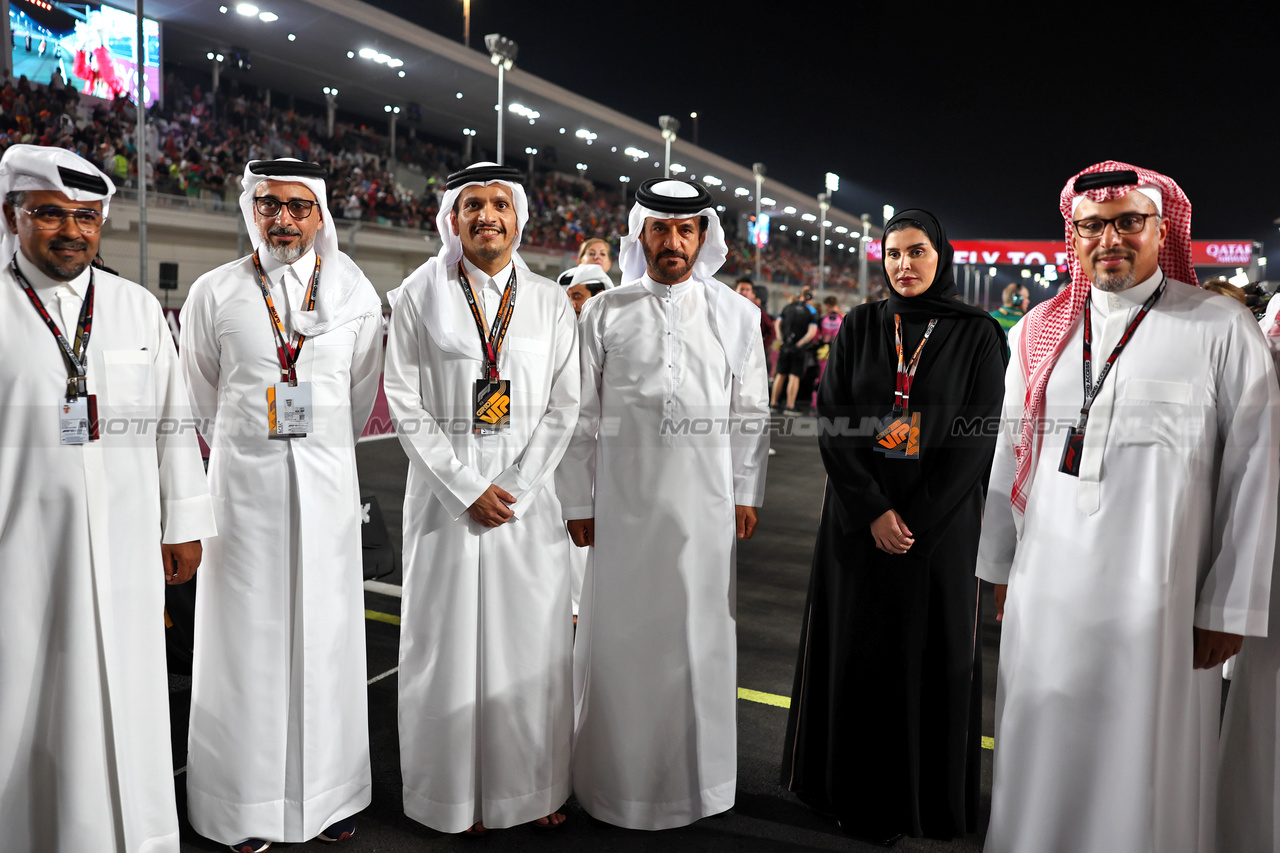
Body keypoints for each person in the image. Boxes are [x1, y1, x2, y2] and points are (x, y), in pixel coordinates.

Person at [977, 161, 1279, 853]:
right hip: (1046, 594)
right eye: (1092, 226)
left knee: (1145, 772)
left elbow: (1255, 473)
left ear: (1161, 229)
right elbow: (1006, 455)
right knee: (1041, 747)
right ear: (1073, 236)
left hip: (1163, 604)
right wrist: (996, 565)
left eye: (1128, 222)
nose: (1109, 238)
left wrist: (1228, 606)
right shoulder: (1037, 331)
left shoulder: (1220, 328)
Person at [0, 144, 216, 852]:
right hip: (21, 558)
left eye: (86, 217)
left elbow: (173, 422)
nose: (71, 231)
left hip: (126, 550)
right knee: (27, 704)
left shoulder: (136, 307)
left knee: (129, 693)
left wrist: (183, 522)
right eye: (50, 214)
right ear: (12, 216)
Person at [781, 209, 1006, 845]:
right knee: (857, 654)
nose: (904, 265)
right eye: (894, 253)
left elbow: (978, 435)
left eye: (917, 252)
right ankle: (845, 791)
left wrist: (917, 519)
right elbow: (832, 418)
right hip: (859, 524)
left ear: (942, 256)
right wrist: (873, 509)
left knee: (930, 660)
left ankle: (923, 803)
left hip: (938, 530)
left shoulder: (979, 333)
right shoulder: (860, 324)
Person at [179, 159, 384, 853]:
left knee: (328, 642)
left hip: (328, 497)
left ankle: (329, 797)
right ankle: (243, 804)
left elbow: (358, 396)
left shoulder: (354, 290)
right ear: (252, 210)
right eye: (270, 205)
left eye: (300, 207)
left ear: (320, 216)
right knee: (246, 649)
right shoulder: (214, 293)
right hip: (242, 499)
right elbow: (203, 399)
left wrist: (314, 446)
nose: (285, 219)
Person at [558, 178, 770, 830]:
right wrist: (576, 500)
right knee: (620, 644)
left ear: (703, 236)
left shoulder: (735, 315)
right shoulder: (605, 311)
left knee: (697, 642)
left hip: (704, 514)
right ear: (639, 233)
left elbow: (752, 410)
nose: (673, 241)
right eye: (660, 228)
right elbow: (579, 417)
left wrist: (745, 489)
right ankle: (613, 785)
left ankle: (696, 788)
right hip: (621, 512)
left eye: (686, 230)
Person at [383, 163, 579, 836]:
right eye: (473, 204)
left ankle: (534, 787)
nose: (487, 214)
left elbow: (566, 404)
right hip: (445, 509)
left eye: (500, 203)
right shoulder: (417, 294)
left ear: (518, 218)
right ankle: (450, 796)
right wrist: (466, 488)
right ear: (452, 218)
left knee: (532, 649)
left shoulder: (552, 301)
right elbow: (403, 403)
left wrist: (517, 486)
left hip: (528, 508)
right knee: (445, 650)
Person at [771, 287, 818, 414]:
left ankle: (773, 404)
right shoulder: (811, 311)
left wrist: (781, 339)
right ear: (810, 297)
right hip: (798, 349)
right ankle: (789, 406)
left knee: (780, 375)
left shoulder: (788, 307)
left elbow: (778, 323)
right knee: (794, 377)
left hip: (785, 345)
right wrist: (800, 344)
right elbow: (811, 332)